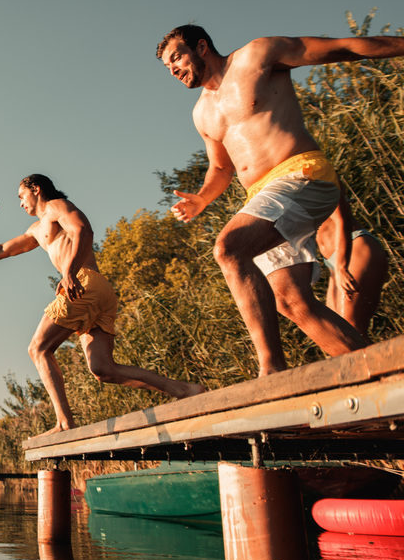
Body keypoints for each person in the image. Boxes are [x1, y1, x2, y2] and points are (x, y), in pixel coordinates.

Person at [158, 24, 404, 376]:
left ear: (201, 47)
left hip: (300, 173)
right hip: (264, 197)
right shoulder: (202, 114)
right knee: (291, 301)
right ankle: (380, 375)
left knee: (229, 248)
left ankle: (271, 368)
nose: (174, 69)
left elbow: (345, 47)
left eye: (177, 58)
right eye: (168, 67)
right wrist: (201, 198)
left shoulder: (257, 56)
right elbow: (220, 168)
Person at [0, 175, 206, 437]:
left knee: (38, 348)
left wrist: (69, 272)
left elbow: (84, 230)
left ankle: (64, 423)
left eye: (21, 196)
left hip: (83, 283)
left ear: (36, 189)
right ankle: (184, 390)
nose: (20, 203)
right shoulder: (37, 229)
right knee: (103, 369)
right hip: (98, 290)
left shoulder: (56, 206)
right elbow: (2, 249)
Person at [315, 194, 389, 342]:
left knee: (352, 330)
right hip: (332, 261)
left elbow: (343, 219)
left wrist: (342, 267)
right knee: (338, 335)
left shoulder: (315, 174)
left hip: (353, 248)